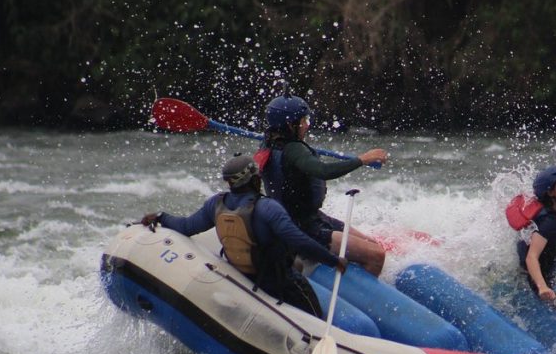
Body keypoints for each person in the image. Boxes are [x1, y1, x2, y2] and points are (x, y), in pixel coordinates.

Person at [140, 155, 346, 316]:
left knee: (296, 265)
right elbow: (298, 240)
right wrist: (333, 260)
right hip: (278, 281)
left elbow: (186, 226)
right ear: (256, 180)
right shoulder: (268, 208)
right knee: (313, 313)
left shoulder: (216, 204)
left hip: (242, 276)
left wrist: (161, 217)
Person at [260, 94, 388, 276]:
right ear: (289, 125)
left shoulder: (268, 142)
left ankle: (353, 278)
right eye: (303, 120)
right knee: (377, 255)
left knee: (373, 244)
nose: (307, 125)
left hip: (309, 218)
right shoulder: (293, 150)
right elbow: (323, 171)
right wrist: (362, 159)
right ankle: (360, 297)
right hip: (303, 229)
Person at [517, 165, 556, 302]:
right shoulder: (548, 223)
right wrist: (542, 287)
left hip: (555, 278)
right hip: (544, 286)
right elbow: (531, 257)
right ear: (551, 192)